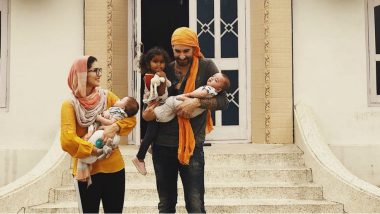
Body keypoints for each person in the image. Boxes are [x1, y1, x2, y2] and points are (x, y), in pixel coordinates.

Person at [142, 27, 229, 213]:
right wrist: (146, 115)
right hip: (162, 146)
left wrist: (196, 102)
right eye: (177, 51)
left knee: (195, 205)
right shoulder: (165, 70)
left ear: (195, 48)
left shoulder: (206, 67)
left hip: (192, 147)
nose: (181, 56)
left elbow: (223, 101)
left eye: (186, 51)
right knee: (166, 205)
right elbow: (151, 102)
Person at [61, 56, 137, 213]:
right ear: (81, 74)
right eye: (95, 71)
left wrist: (114, 127)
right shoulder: (69, 105)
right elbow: (67, 140)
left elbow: (131, 120)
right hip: (87, 173)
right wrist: (92, 150)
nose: (99, 74)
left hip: (114, 169)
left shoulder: (106, 96)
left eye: (99, 70)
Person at [76, 96, 139, 184]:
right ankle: (95, 145)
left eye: (121, 100)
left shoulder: (110, 100)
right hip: (93, 166)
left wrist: (114, 126)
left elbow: (132, 120)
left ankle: (100, 147)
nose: (118, 100)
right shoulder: (74, 101)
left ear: (123, 107)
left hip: (113, 167)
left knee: (103, 139)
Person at [132, 47, 171, 175]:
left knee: (156, 130)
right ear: (148, 63)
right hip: (151, 107)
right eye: (155, 61)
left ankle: (151, 146)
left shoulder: (157, 75)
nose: (159, 64)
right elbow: (159, 93)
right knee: (150, 133)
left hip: (157, 106)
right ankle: (139, 157)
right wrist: (163, 79)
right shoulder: (149, 77)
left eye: (162, 62)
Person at [153, 73, 230, 123]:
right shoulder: (213, 91)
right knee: (172, 110)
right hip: (193, 113)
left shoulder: (210, 89)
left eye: (215, 80)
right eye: (212, 76)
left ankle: (159, 113)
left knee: (172, 100)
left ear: (219, 89)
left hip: (190, 108)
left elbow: (201, 94)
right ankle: (163, 115)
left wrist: (189, 95)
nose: (212, 78)